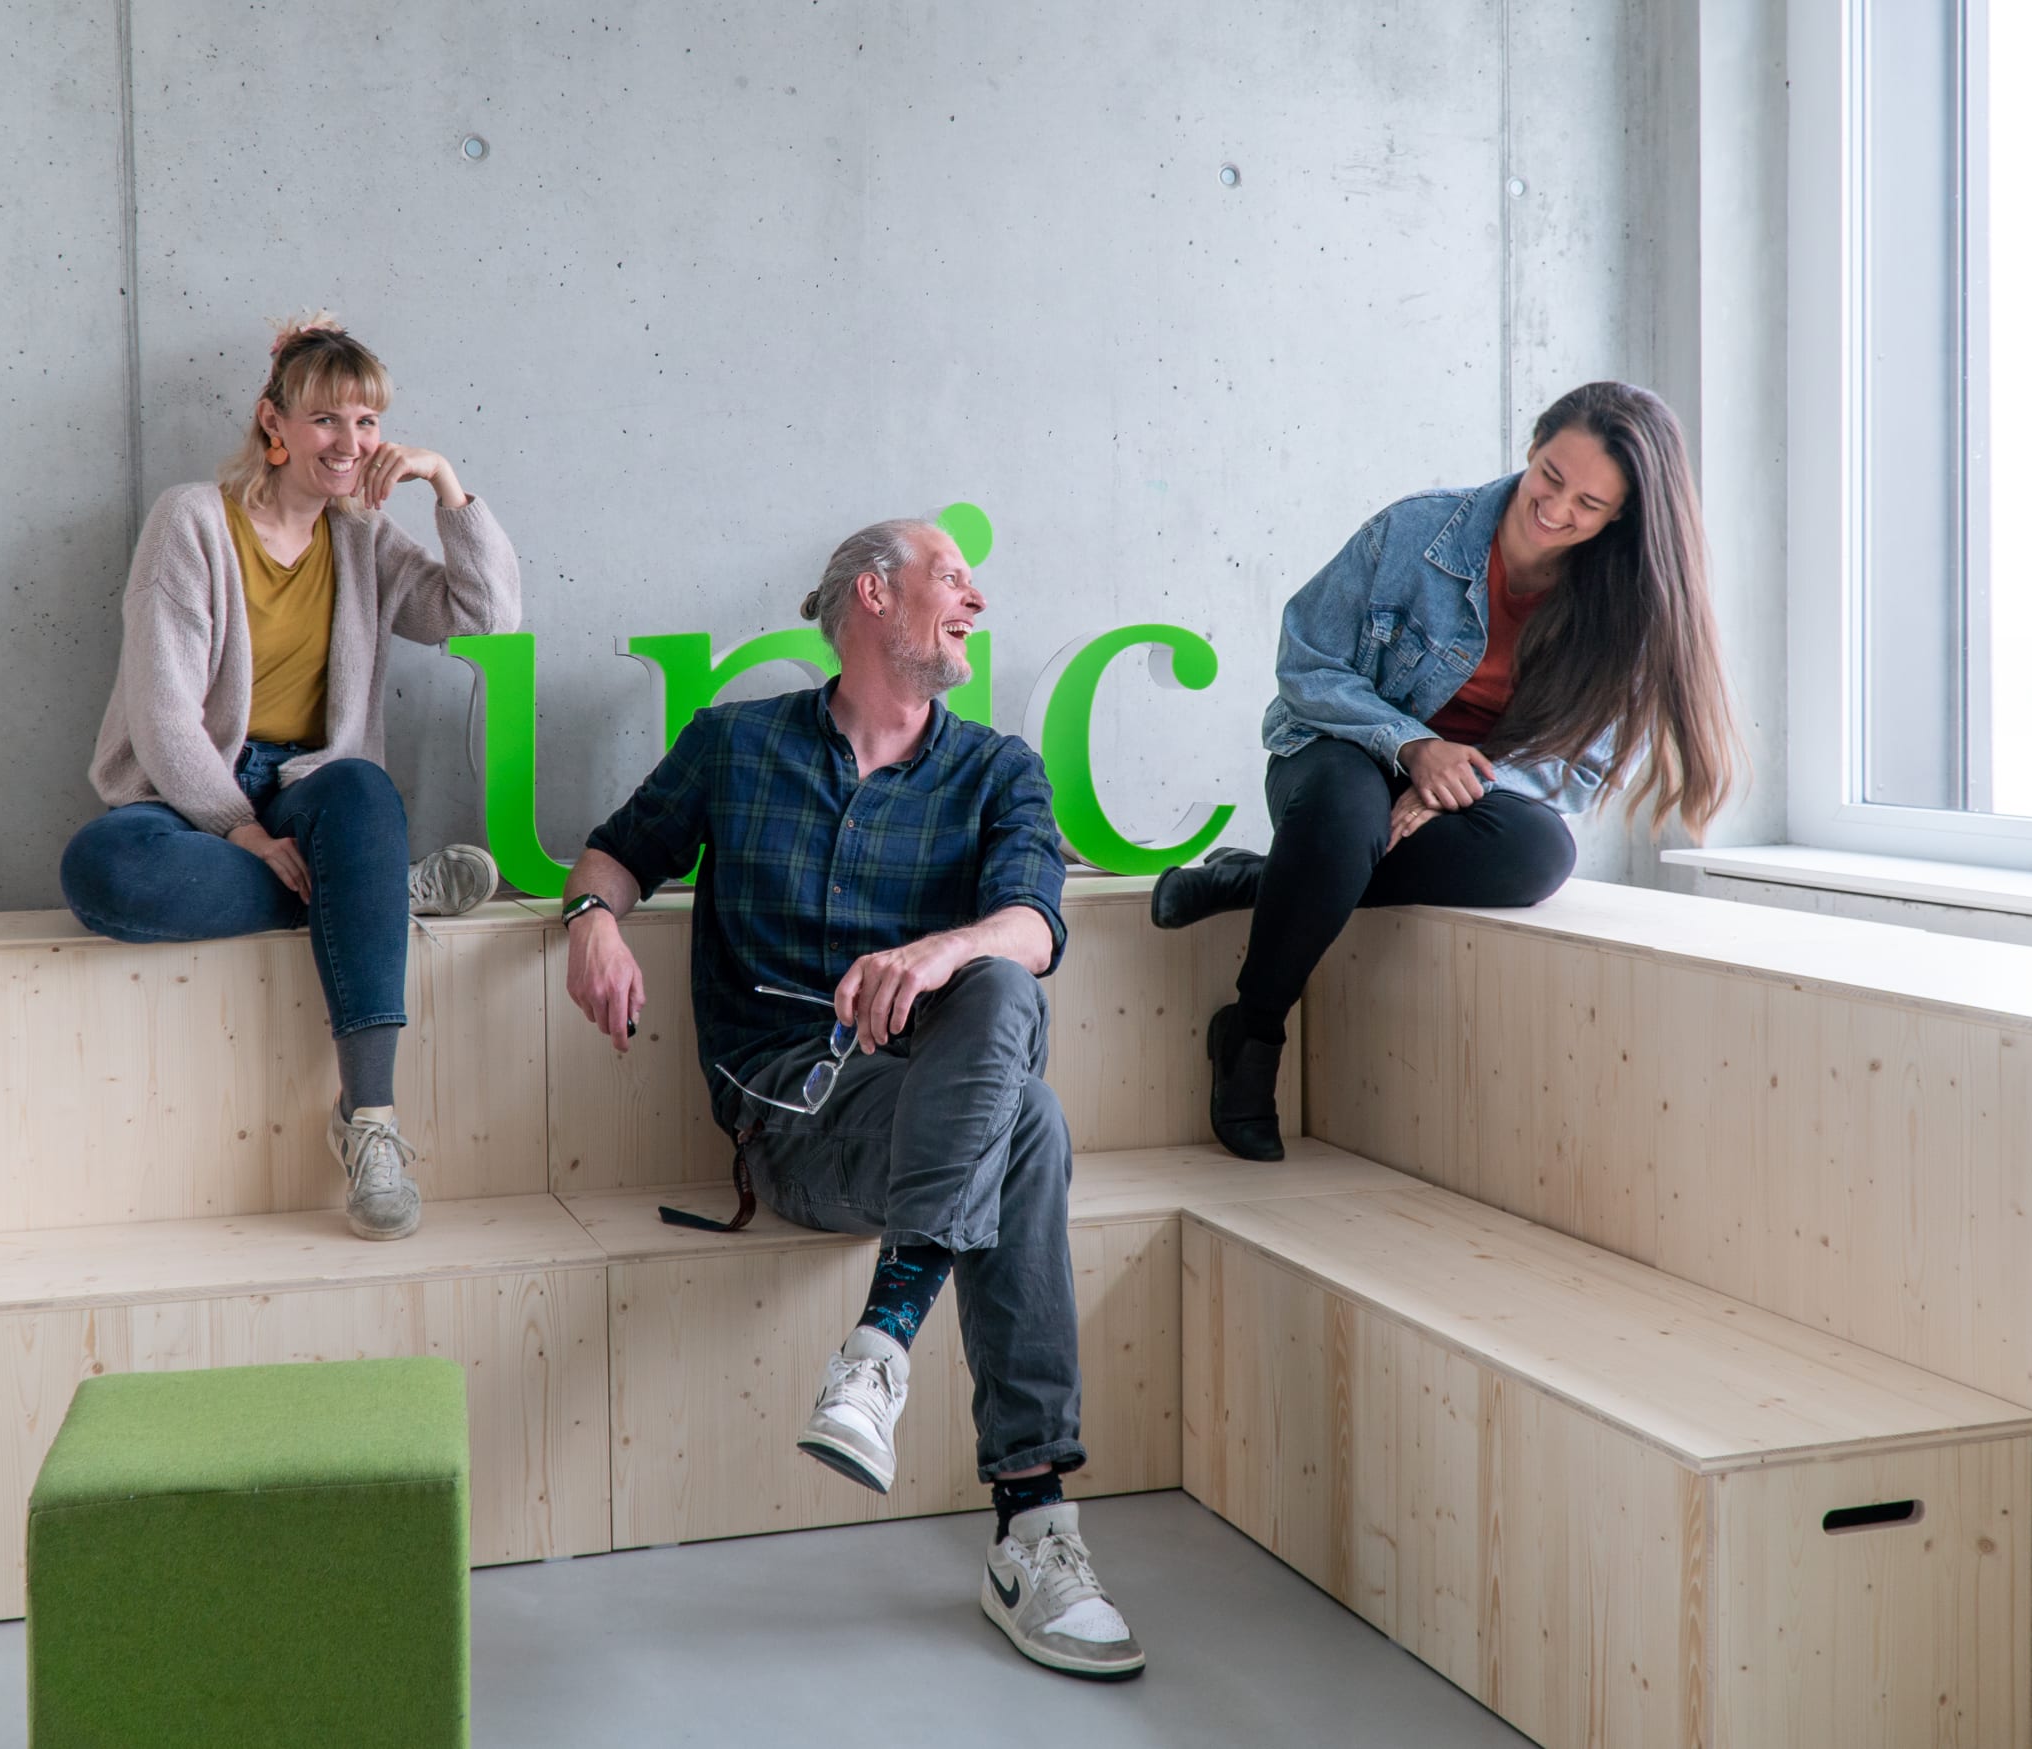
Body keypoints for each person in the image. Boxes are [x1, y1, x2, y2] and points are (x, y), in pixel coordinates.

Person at [559, 518, 1147, 1680]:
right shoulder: (735, 746)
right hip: (792, 1118)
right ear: (872, 595)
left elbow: (1034, 923)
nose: (975, 602)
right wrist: (592, 924)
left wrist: (935, 955)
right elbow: (615, 853)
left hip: (931, 1088)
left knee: (997, 997)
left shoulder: (997, 771)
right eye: (952, 578)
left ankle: (881, 1347)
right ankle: (1031, 1526)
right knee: (1027, 1122)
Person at [1156, 380, 1740, 1160]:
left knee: (1540, 855)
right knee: (1343, 810)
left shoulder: (1626, 609)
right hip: (1342, 755)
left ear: (1624, 515)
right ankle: (1253, 1031)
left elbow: (1582, 769)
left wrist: (1461, 786)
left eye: (1589, 505)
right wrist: (1412, 747)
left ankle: (1254, 881)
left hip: (1468, 799)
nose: (1558, 509)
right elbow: (1307, 660)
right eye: (1551, 478)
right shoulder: (1418, 532)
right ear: (1533, 447)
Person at [60, 314, 521, 1240]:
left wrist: (447, 487)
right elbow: (161, 717)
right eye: (325, 421)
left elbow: (488, 621)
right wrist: (240, 826)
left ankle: (372, 1121)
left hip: (316, 788)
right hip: (194, 792)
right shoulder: (192, 520)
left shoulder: (365, 537)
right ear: (273, 424)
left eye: (367, 424)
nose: (349, 445)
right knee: (103, 870)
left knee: (361, 790)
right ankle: (380, 890)